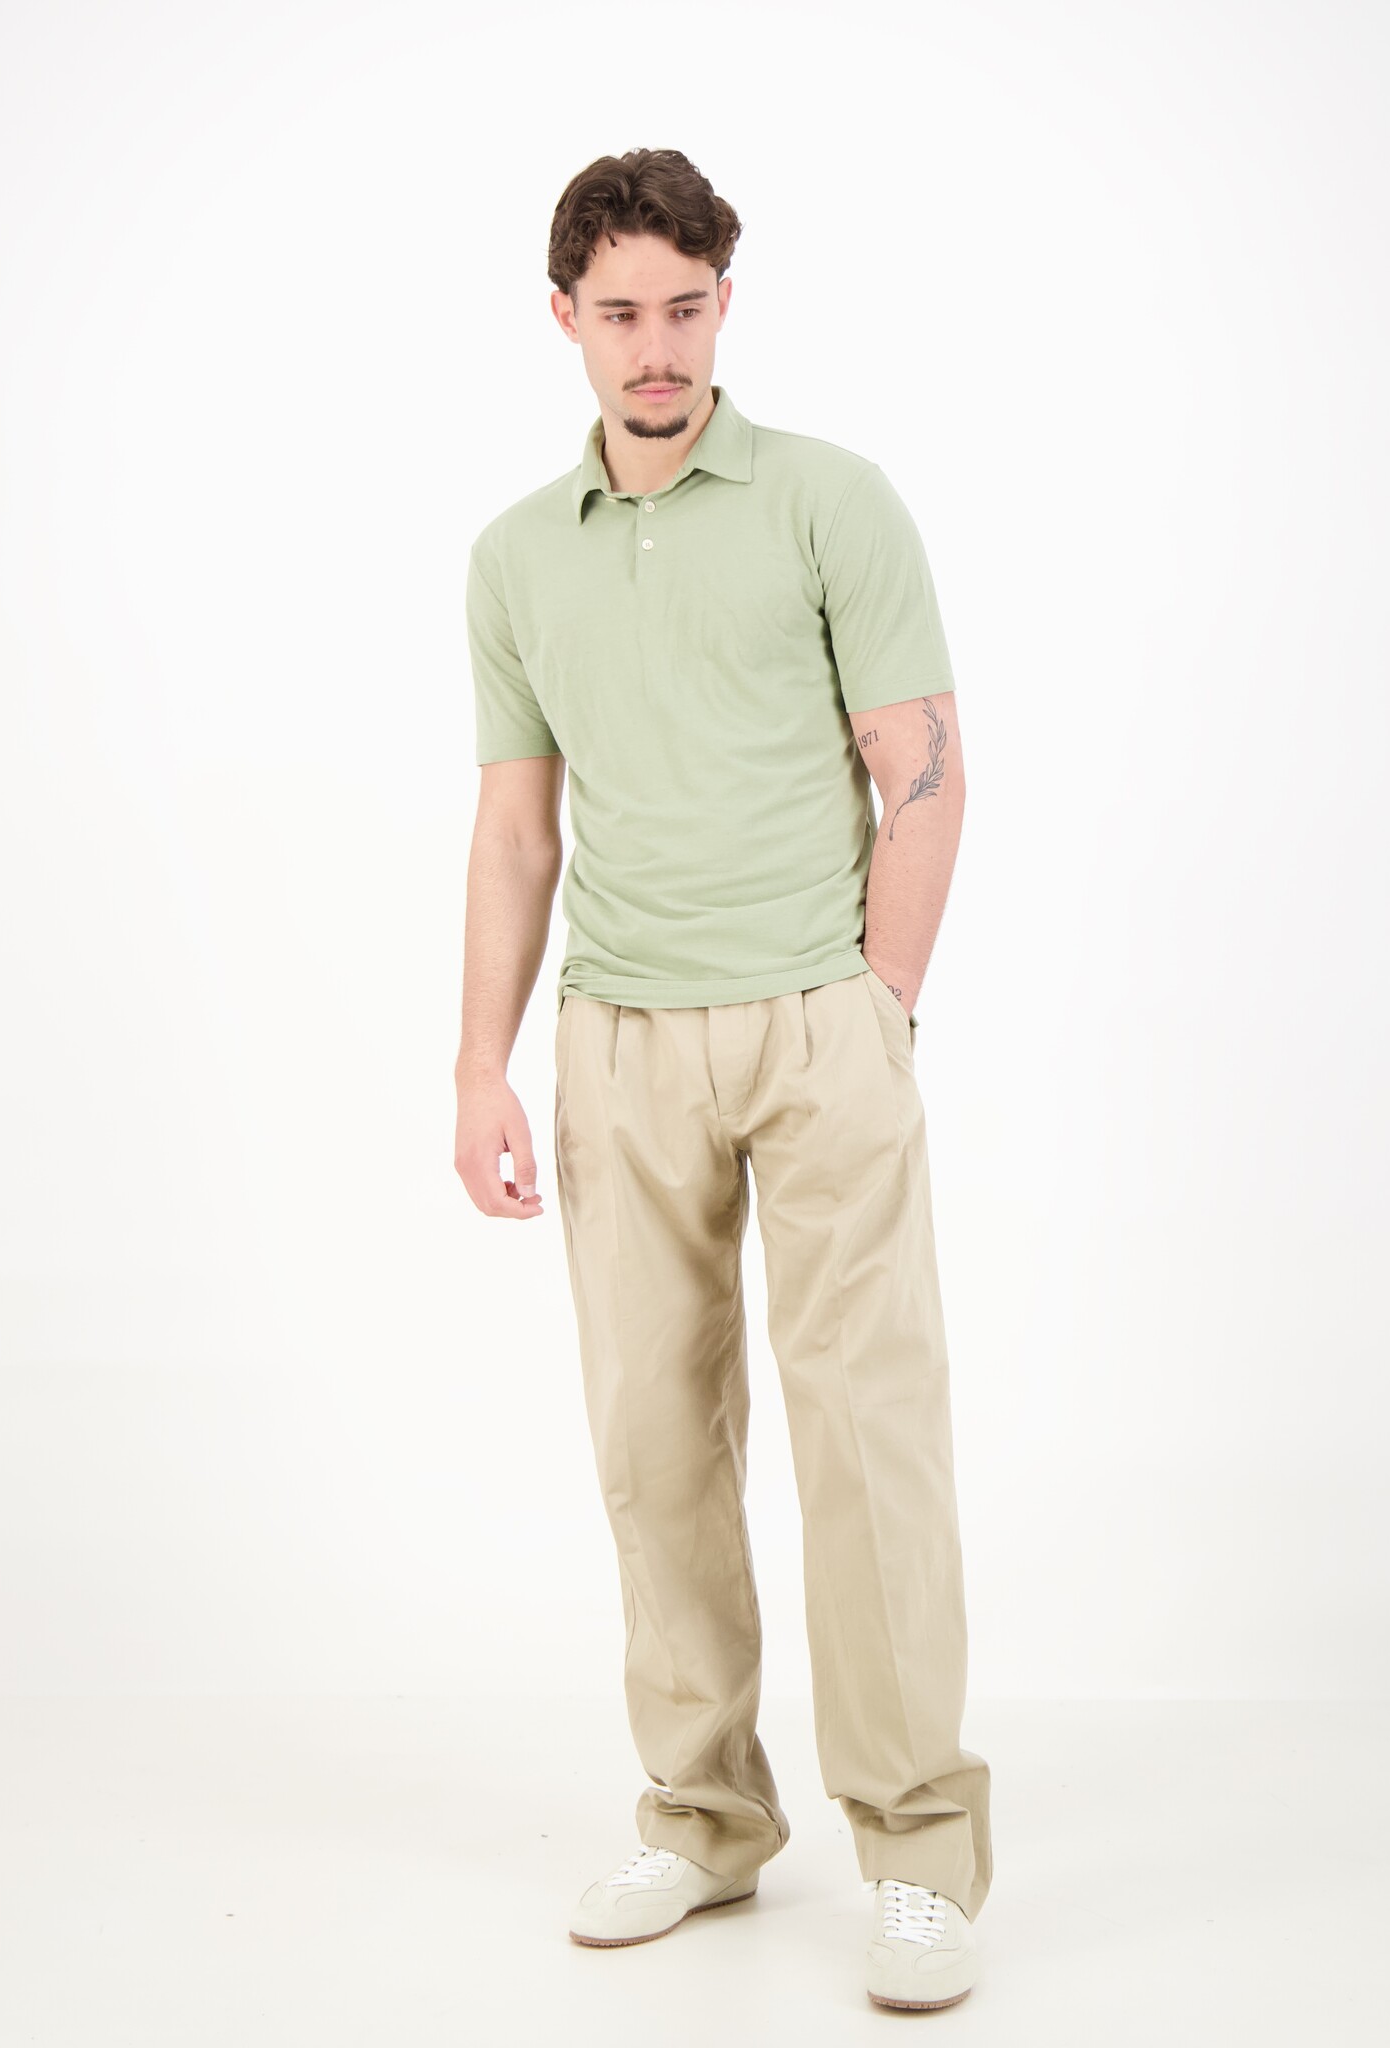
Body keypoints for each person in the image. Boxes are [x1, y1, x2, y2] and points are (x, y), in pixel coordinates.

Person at [453, 147, 992, 2013]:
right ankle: (701, 1818)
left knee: (868, 1436)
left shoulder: (831, 501)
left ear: (723, 306)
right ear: (564, 319)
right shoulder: (514, 556)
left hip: (816, 1022)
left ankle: (916, 1853)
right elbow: (514, 833)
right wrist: (478, 1065)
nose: (656, 347)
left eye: (685, 308)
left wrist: (879, 1009)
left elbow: (921, 767)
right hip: (616, 1036)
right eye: (620, 313)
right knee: (651, 1442)